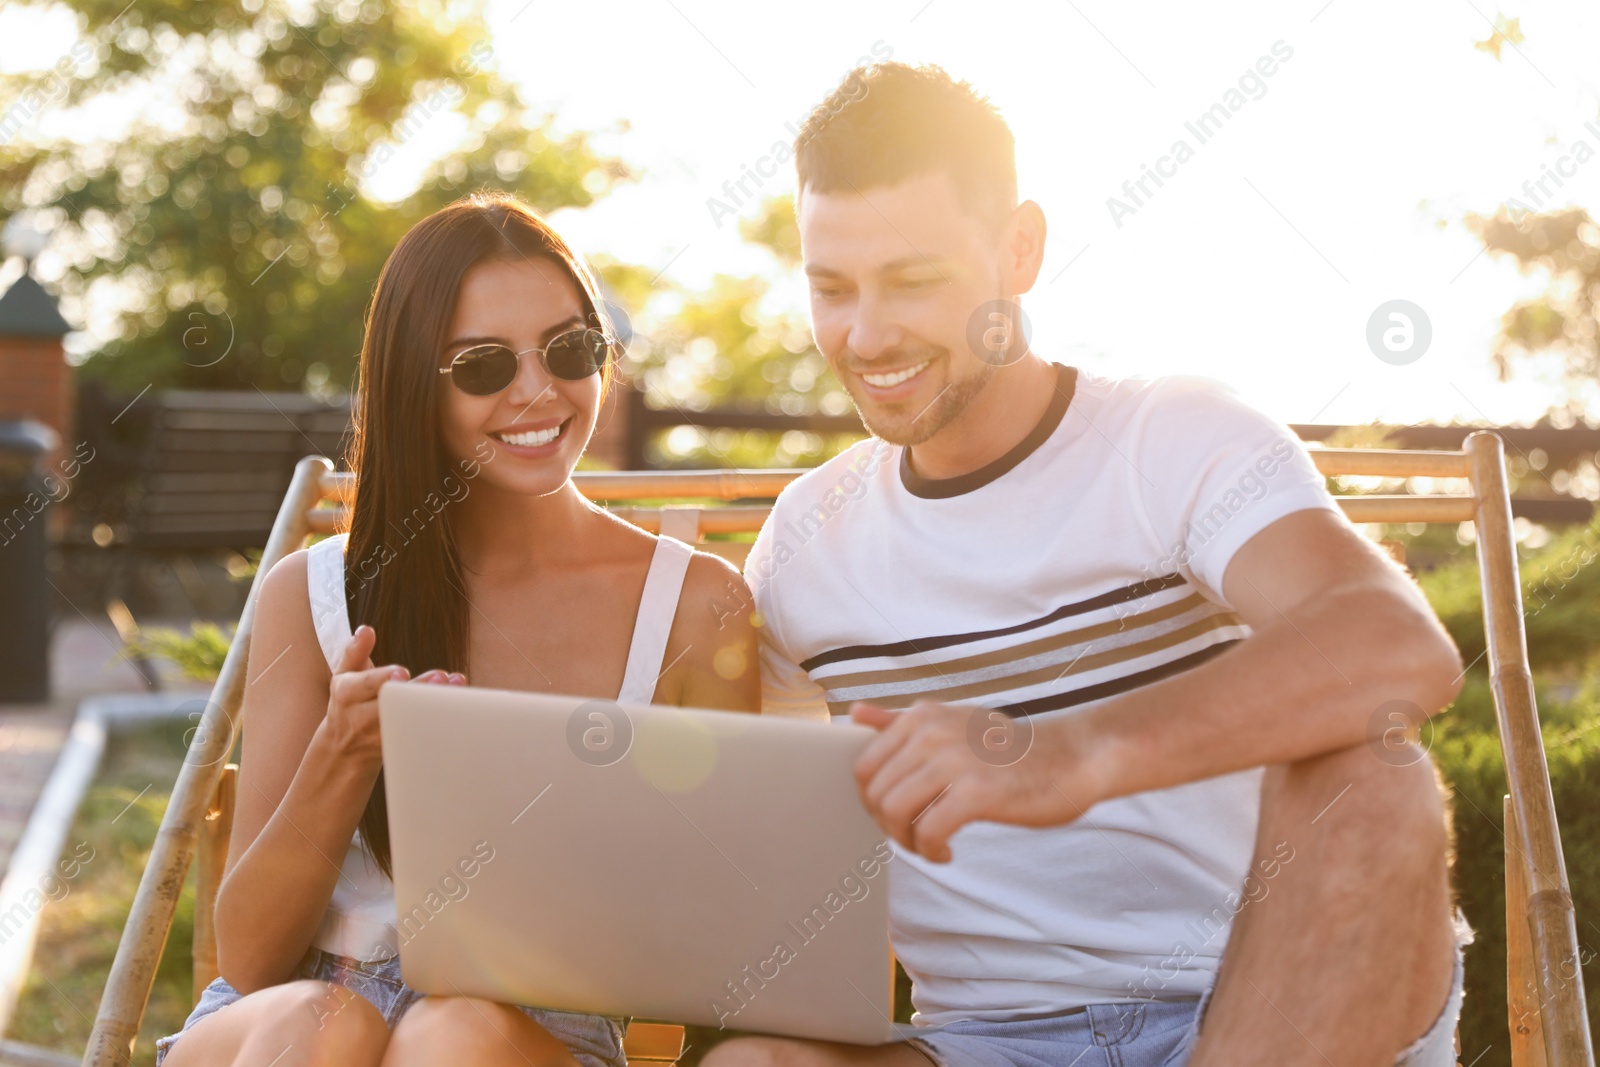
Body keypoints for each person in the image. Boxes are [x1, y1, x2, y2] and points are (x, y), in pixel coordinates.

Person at [712, 63, 1469, 1067]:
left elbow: (1395, 649)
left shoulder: (1171, 439)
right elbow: (712, 799)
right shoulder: (810, 538)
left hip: (1262, 1011)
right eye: (831, 289)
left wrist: (1063, 755)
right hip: (984, 1043)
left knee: (1377, 779)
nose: (866, 334)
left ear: (1017, 249)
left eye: (914, 281)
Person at [159, 193, 760, 1067]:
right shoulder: (314, 592)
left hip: (531, 1027)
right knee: (320, 1027)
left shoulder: (698, 606)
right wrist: (344, 753)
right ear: (414, 380)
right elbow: (250, 957)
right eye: (482, 365)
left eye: (569, 349)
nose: (537, 390)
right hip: (288, 1013)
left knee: (455, 1036)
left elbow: (722, 933)